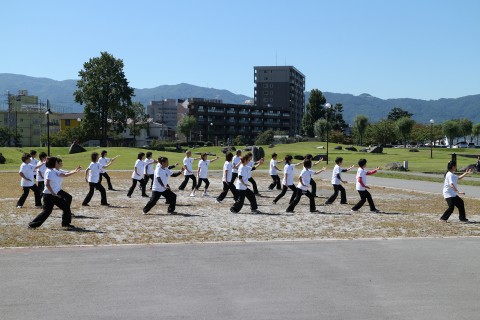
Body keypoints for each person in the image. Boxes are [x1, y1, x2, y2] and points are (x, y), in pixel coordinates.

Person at [29, 157, 81, 229]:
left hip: (54, 194)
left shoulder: (54, 171)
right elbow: (47, 184)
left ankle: (66, 224)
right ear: (53, 163)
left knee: (66, 207)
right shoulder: (49, 171)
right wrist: (53, 193)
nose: (58, 163)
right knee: (47, 211)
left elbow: (65, 175)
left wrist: (75, 171)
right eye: (57, 162)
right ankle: (32, 225)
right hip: (49, 195)